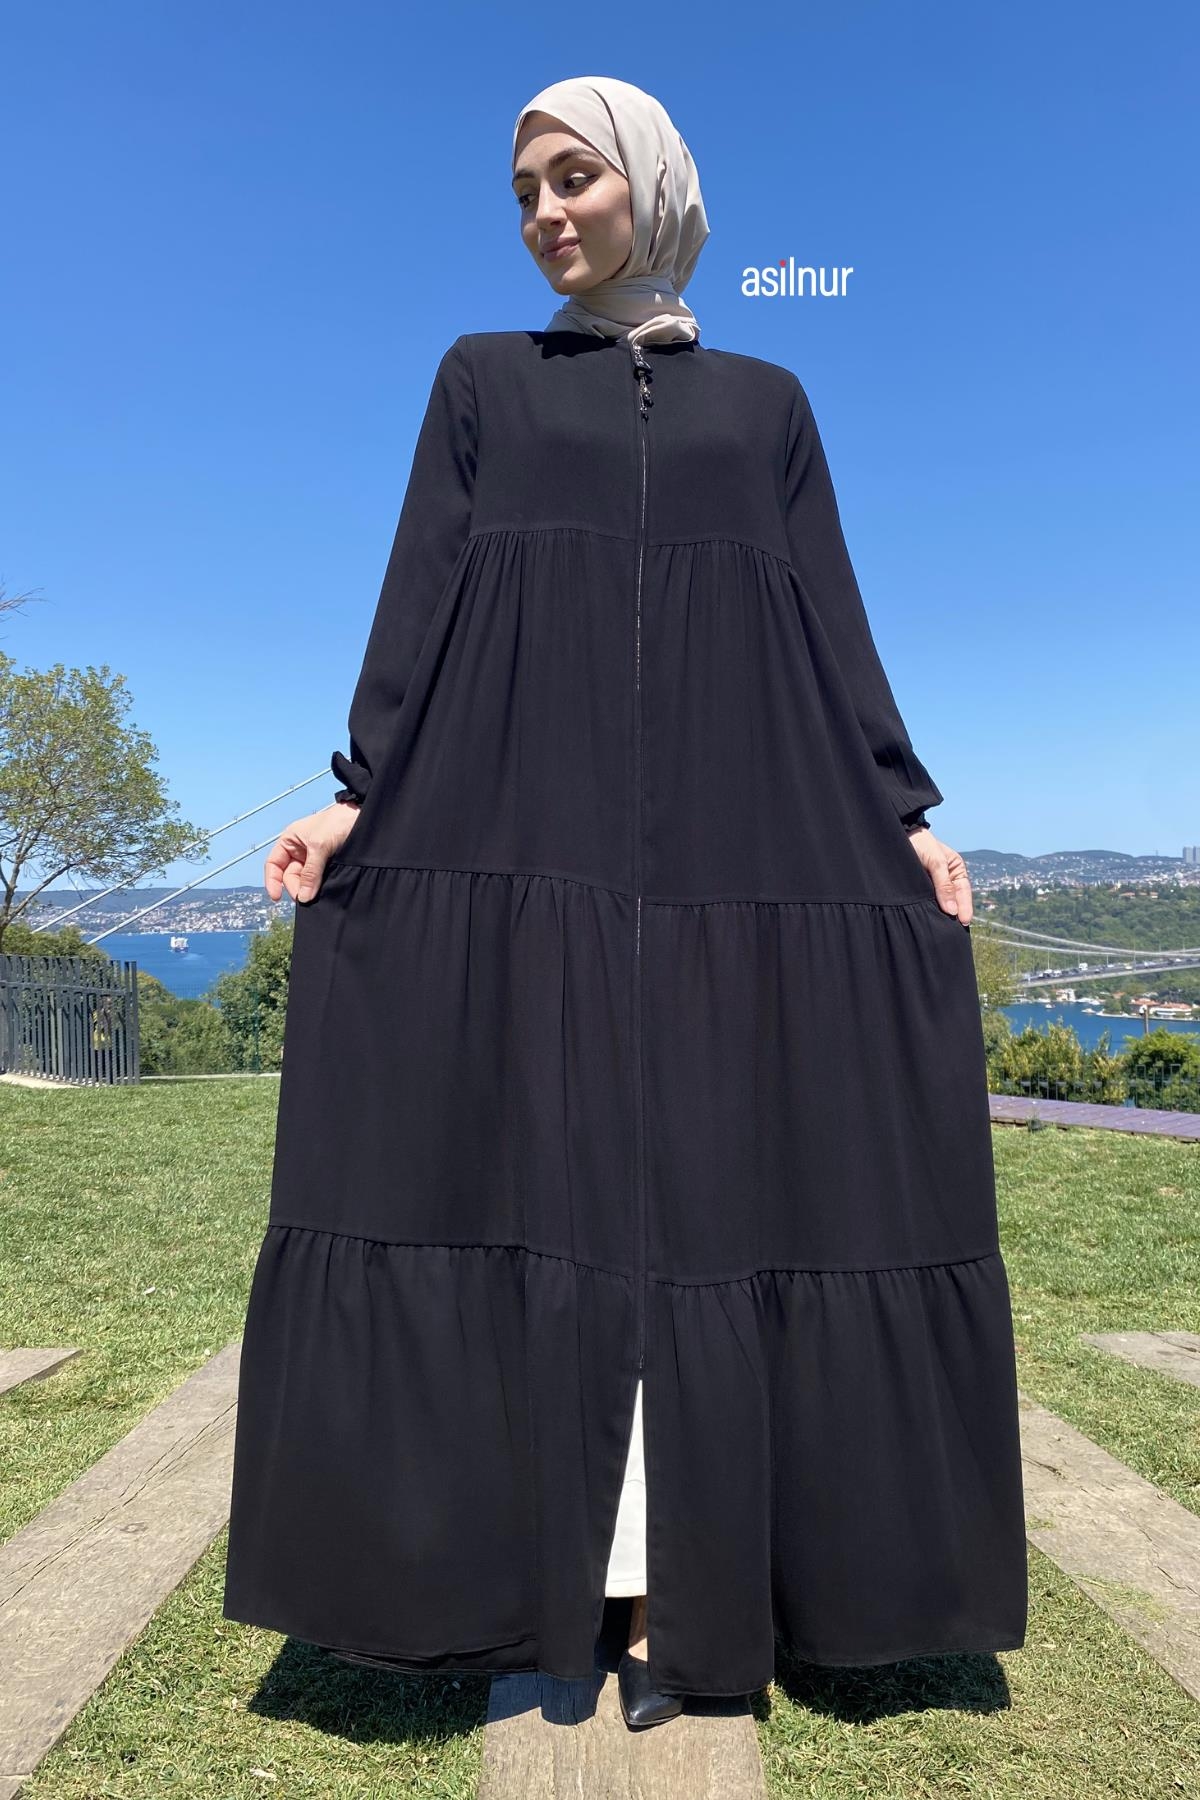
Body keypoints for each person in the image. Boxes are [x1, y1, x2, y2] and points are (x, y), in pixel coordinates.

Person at [223, 75, 1027, 1735]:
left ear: (652, 185)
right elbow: (422, 594)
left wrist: (903, 817)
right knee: (544, 1203)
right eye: (524, 189)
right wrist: (360, 792)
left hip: (739, 857)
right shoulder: (483, 381)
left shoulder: (769, 402)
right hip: (528, 846)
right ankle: (546, 1590)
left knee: (719, 1218)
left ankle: (682, 1610)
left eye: (573, 177)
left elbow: (828, 617)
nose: (544, 213)